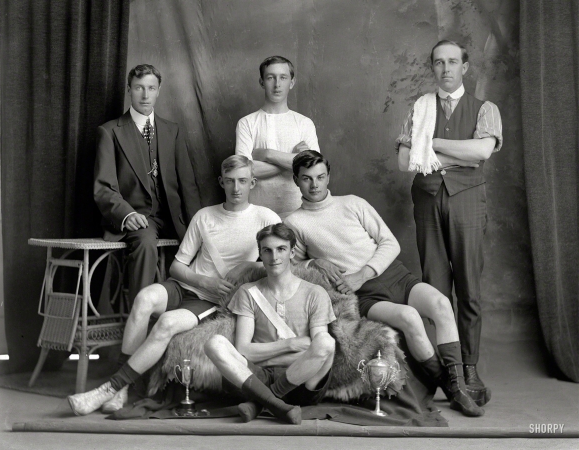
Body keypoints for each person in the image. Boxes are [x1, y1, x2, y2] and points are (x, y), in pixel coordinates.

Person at [69, 156, 280, 416]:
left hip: (211, 300)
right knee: (145, 298)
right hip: (186, 285)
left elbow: (282, 259)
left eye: (243, 181)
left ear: (253, 183)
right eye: (230, 181)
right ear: (221, 182)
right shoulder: (205, 216)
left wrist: (248, 268)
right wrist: (203, 280)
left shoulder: (265, 217)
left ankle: (110, 388)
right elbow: (177, 267)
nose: (236, 188)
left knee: (167, 323)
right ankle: (121, 388)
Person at [284, 150, 484, 417]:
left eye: (320, 177)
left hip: (393, 275)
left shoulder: (353, 203)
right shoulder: (294, 222)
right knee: (410, 317)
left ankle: (457, 384)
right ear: (296, 180)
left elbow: (390, 243)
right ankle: (451, 388)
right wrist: (313, 263)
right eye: (307, 179)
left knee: (441, 303)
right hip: (363, 294)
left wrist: (364, 272)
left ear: (328, 176)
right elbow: (288, 265)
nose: (315, 184)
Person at [396, 40, 503, 406]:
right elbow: (405, 160)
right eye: (439, 62)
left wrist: (433, 144)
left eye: (453, 62)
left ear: (465, 67)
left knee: (469, 289)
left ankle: (470, 366)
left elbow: (482, 152)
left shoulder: (485, 109)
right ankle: (447, 369)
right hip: (426, 201)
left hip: (467, 201)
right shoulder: (420, 107)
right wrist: (457, 152)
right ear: (432, 67)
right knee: (436, 290)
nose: (446, 69)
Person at [204, 223, 336, 424]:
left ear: (292, 252)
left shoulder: (315, 293)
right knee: (214, 343)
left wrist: (265, 355)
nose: (274, 257)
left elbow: (317, 350)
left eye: (281, 249)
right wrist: (289, 346)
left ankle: (263, 403)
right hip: (257, 379)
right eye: (267, 250)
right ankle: (279, 405)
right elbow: (244, 350)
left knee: (327, 343)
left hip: (302, 383)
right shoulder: (248, 292)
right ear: (260, 254)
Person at [94, 64, 201, 306]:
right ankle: (139, 322)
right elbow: (103, 187)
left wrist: (198, 224)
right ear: (129, 90)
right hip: (140, 218)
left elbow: (188, 185)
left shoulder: (171, 130)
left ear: (159, 90)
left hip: (174, 218)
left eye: (151, 88)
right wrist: (126, 214)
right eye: (139, 88)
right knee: (145, 245)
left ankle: (183, 320)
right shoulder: (109, 132)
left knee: (205, 249)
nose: (145, 95)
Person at [235, 56, 320, 218]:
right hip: (257, 213)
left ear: (292, 82)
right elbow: (245, 172)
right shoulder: (246, 123)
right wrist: (296, 160)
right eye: (270, 78)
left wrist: (268, 154)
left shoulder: (304, 123)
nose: (277, 84)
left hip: (299, 211)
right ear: (261, 82)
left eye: (283, 77)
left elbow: (313, 168)